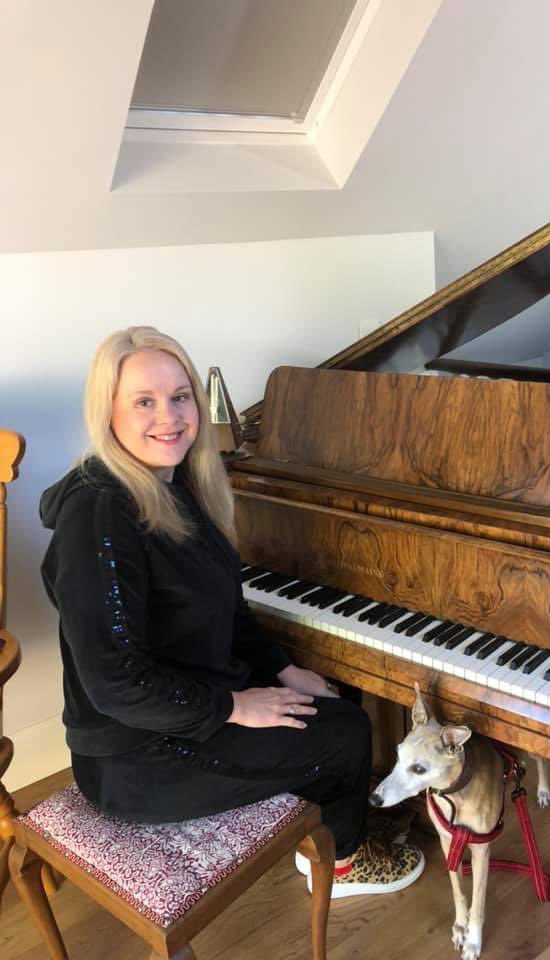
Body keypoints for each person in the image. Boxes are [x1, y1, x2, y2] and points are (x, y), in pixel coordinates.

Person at [40, 325, 424, 898]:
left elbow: (228, 607)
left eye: (180, 396)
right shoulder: (98, 516)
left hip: (188, 700)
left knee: (333, 690)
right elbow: (115, 684)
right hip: (136, 758)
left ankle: (341, 810)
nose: (168, 416)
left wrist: (283, 669)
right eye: (144, 401)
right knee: (345, 731)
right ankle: (340, 862)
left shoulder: (176, 484)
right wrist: (234, 706)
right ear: (108, 413)